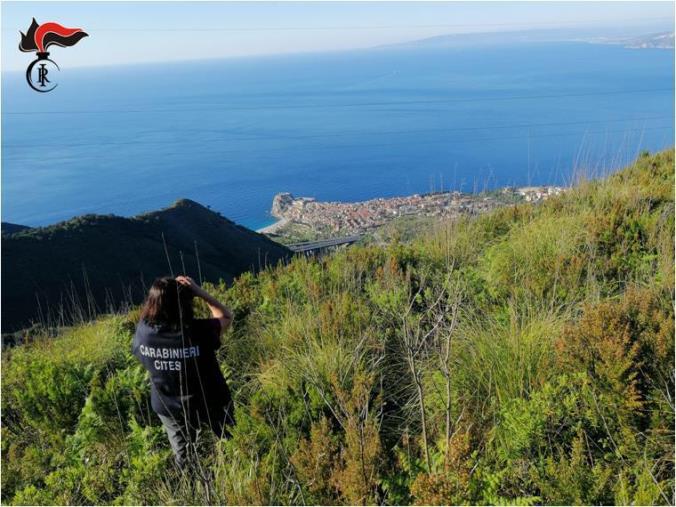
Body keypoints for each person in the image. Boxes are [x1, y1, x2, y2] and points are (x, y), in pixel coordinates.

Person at [132, 275, 235, 469]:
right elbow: (226, 317)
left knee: (184, 455)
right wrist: (199, 291)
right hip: (209, 399)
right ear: (185, 303)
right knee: (232, 439)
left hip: (167, 404)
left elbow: (141, 352)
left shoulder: (144, 333)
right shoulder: (197, 330)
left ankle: (189, 487)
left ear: (152, 303)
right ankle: (238, 468)